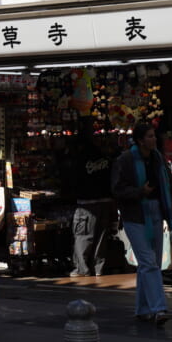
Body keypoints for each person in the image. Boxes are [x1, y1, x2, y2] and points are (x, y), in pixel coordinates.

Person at [112, 122, 172, 325]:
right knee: (149, 262)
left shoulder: (159, 159)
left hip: (156, 212)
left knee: (150, 263)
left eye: (154, 136)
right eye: (150, 136)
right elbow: (117, 189)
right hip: (135, 214)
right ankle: (159, 307)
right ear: (140, 140)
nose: (154, 140)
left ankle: (143, 308)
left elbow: (169, 189)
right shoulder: (125, 160)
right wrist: (139, 192)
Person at [69, 117, 115, 278]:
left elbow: (73, 180)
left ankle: (82, 269)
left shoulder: (79, 158)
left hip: (87, 203)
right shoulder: (105, 156)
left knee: (83, 236)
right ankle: (99, 268)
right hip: (105, 201)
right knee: (101, 237)